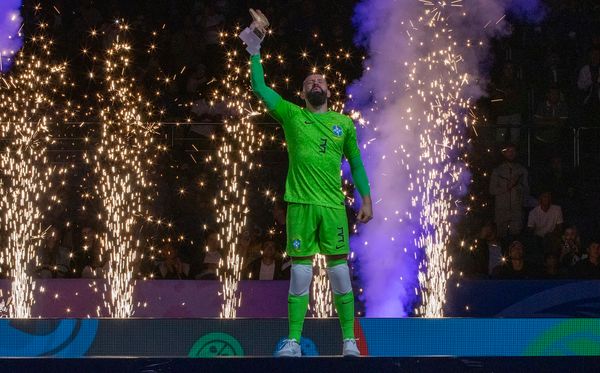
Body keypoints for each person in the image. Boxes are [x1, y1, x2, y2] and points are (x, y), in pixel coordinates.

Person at [245, 9, 373, 357]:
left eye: (321, 82)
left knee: (340, 277)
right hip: (300, 205)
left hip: (333, 207)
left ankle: (349, 341)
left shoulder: (343, 124)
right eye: (309, 83)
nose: (315, 84)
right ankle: (294, 342)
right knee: (300, 277)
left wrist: (367, 199)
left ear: (329, 90)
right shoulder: (291, 114)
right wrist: (255, 45)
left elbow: (357, 164)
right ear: (302, 94)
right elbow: (258, 86)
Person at [489, 144, 529, 240]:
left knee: (515, 238)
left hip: (516, 211)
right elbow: (492, 190)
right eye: (508, 151)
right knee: (501, 238)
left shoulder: (522, 170)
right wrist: (507, 187)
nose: (511, 153)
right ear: (504, 153)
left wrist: (518, 188)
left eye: (513, 151)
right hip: (501, 211)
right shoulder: (497, 171)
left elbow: (526, 189)